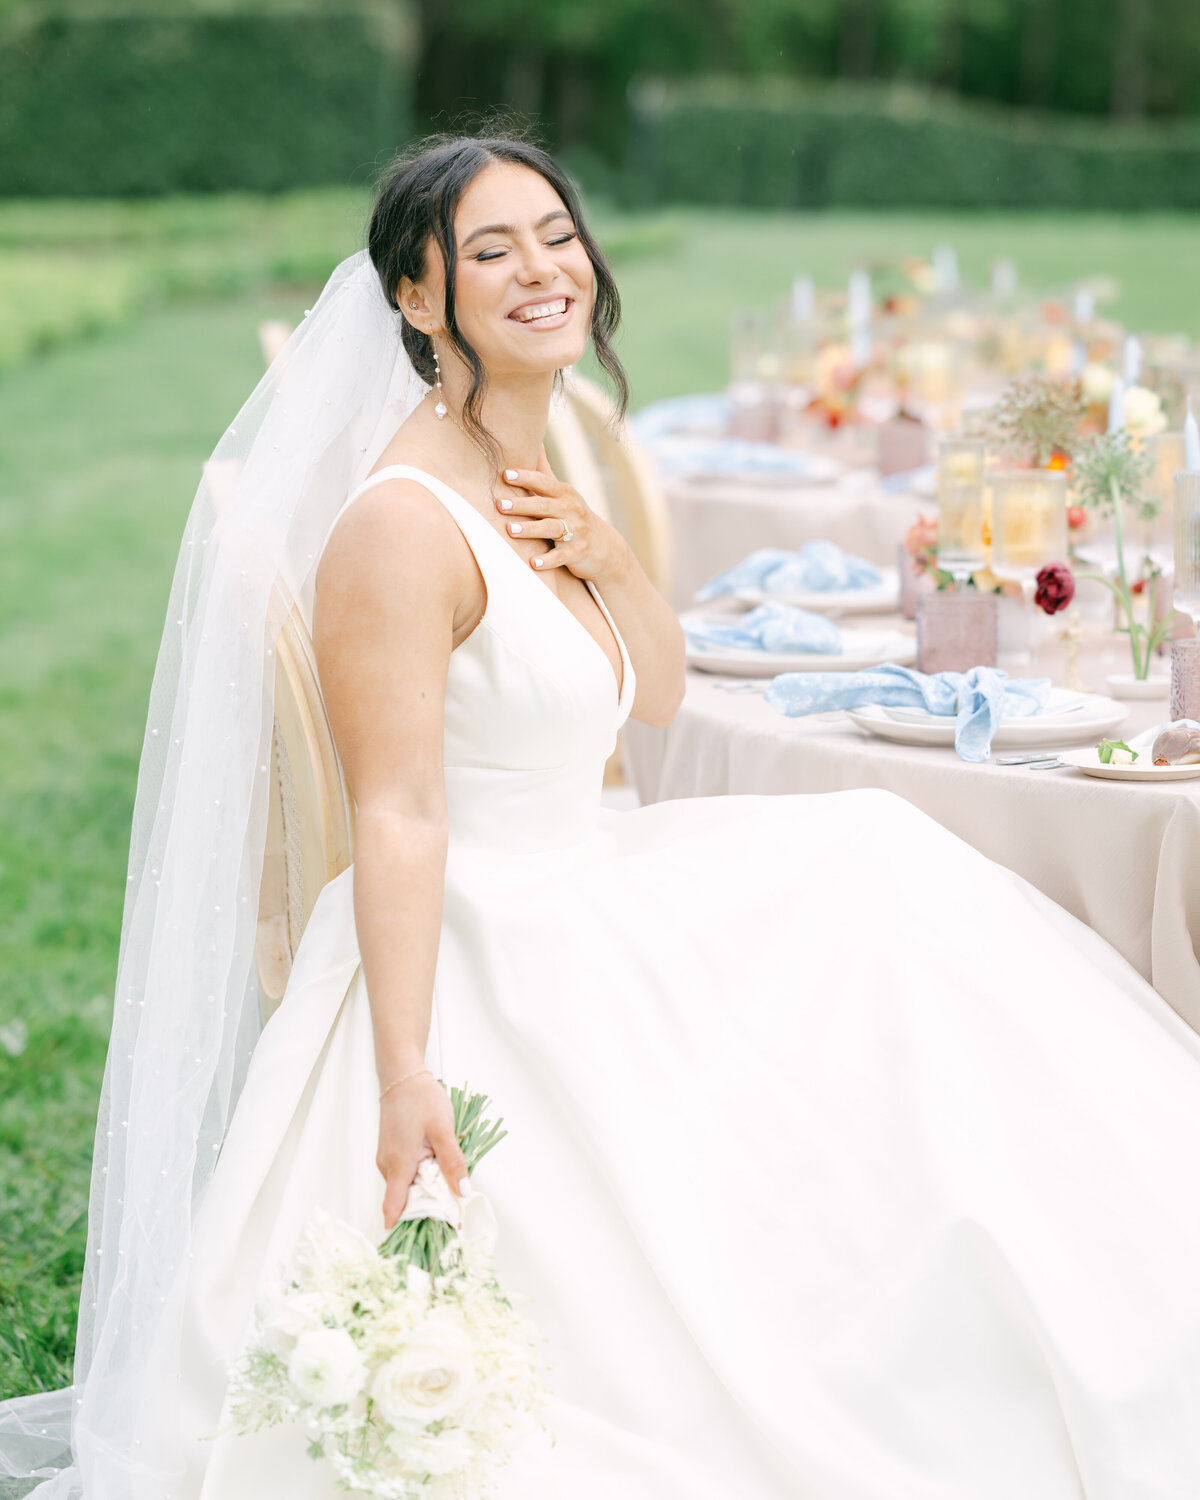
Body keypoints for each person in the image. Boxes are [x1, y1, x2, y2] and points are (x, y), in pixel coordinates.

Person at [4, 130, 1200, 1500]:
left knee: (881, 866)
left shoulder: (531, 459)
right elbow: (395, 812)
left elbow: (664, 690)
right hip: (487, 923)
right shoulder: (400, 525)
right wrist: (405, 1074)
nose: (543, 270)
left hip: (588, 860)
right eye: (493, 251)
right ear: (415, 297)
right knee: (877, 916)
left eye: (558, 236)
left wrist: (614, 556)